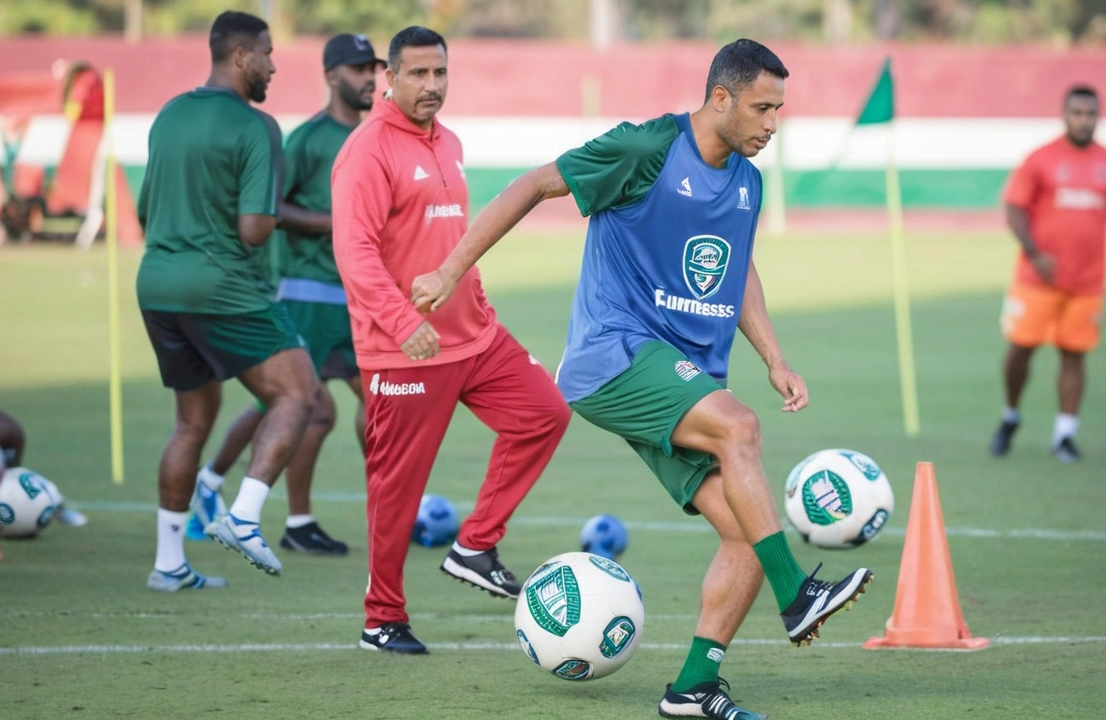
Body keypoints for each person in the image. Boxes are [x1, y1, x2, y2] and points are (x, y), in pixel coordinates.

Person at [413, 38, 872, 720]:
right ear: (721, 98)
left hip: (680, 375)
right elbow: (534, 183)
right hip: (613, 355)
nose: (773, 123)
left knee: (749, 530)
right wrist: (450, 272)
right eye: (762, 108)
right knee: (741, 427)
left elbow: (739, 268)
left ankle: (693, 686)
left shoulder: (748, 180)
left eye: (779, 109)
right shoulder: (647, 148)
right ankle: (797, 594)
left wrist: (774, 357)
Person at [331, 26, 571, 655]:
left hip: (474, 339)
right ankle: (382, 619)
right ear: (389, 77)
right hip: (404, 349)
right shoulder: (367, 150)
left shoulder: (451, 142)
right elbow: (354, 254)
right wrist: (404, 323)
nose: (431, 86)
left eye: (440, 73)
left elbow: (455, 241)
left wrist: (482, 310)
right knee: (396, 486)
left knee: (544, 412)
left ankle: (475, 544)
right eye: (417, 74)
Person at [136, 10, 318, 590]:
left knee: (192, 423)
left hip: (157, 286)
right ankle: (243, 514)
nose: (272, 64)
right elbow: (255, 229)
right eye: (267, 52)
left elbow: (145, 210)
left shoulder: (169, 115)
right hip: (222, 287)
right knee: (300, 392)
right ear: (241, 57)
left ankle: (168, 565)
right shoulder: (255, 126)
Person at [191, 33, 387, 556]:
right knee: (286, 403)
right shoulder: (308, 140)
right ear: (331, 75)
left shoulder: (375, 137)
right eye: (357, 68)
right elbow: (271, 209)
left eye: (374, 67)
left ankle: (365, 515)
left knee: (376, 402)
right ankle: (208, 486)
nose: (370, 77)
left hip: (357, 295)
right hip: (309, 291)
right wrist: (338, 223)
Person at [988, 85, 1106, 463]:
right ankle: (1011, 414)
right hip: (1036, 280)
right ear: (1064, 114)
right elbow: (1014, 210)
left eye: (1091, 114)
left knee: (1074, 356)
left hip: (1087, 282)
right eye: (1077, 113)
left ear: (1098, 117)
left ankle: (1064, 434)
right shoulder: (1040, 159)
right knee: (1020, 351)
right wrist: (1035, 253)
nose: (1084, 120)